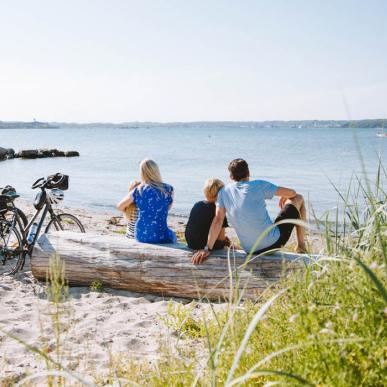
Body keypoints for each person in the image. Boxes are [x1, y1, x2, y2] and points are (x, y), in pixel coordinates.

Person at [192, 158, 307, 264]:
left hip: (250, 249)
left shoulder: (223, 192)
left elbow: (218, 220)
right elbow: (293, 193)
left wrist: (207, 248)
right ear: (249, 173)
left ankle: (300, 247)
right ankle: (301, 247)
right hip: (274, 243)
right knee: (299, 198)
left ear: (231, 177)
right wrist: (285, 196)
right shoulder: (259, 185)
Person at [117, 159, 176, 244]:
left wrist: (135, 206)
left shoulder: (139, 189)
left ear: (142, 173)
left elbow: (119, 206)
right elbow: (168, 208)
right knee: (172, 235)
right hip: (161, 235)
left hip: (141, 236)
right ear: (156, 171)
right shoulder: (169, 189)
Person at [185, 178, 230, 251]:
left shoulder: (197, 204)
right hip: (205, 245)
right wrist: (224, 242)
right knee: (226, 246)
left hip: (191, 243)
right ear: (221, 194)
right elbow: (221, 238)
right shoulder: (219, 211)